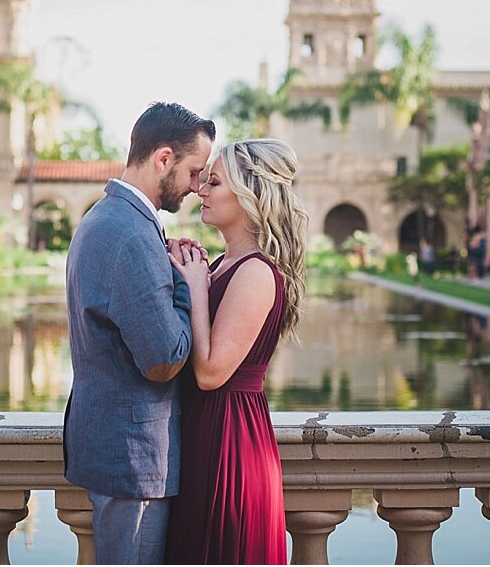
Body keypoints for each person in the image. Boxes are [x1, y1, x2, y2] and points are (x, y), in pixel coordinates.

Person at [63, 102, 215, 565]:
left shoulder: (106, 218)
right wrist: (190, 287)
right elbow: (164, 358)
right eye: (194, 171)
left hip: (115, 450)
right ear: (163, 159)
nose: (197, 186)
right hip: (133, 462)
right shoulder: (131, 234)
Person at [165, 138, 307, 564]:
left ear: (249, 195)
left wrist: (194, 286)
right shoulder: (224, 264)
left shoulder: (257, 272)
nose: (200, 191)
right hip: (205, 432)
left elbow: (210, 372)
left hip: (229, 442)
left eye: (214, 182)